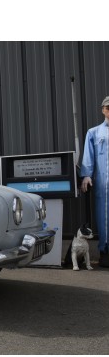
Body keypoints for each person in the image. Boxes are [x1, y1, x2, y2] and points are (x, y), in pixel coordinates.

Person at [81, 96, 109, 267]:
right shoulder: (94, 132)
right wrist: (86, 174)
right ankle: (105, 250)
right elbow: (88, 156)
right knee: (104, 215)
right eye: (108, 107)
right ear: (102, 109)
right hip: (103, 184)